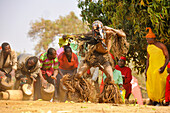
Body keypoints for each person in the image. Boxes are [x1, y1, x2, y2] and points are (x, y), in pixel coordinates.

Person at [145, 27, 169, 106]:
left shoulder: (161, 46)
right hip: (151, 69)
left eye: (148, 39)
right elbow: (148, 59)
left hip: (160, 69)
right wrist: (146, 69)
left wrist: (164, 67)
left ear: (152, 39)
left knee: (161, 85)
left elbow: (167, 57)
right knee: (152, 85)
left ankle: (162, 101)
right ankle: (153, 100)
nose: (147, 41)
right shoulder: (149, 47)